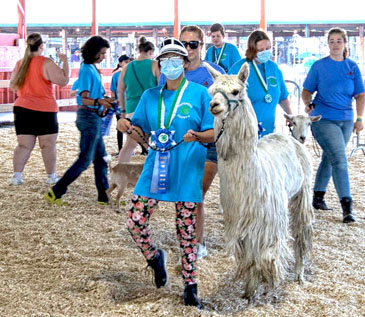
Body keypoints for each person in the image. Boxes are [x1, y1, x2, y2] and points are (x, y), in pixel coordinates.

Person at [117, 37, 214, 308]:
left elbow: (213, 131)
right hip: (155, 169)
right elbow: (139, 131)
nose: (171, 65)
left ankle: (190, 285)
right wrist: (126, 124)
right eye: (165, 61)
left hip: (187, 169)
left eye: (176, 60)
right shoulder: (150, 97)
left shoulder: (199, 93)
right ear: (159, 66)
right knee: (135, 222)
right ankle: (154, 258)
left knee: (186, 230)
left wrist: (198, 136)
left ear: (184, 62)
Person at [159, 25, 225, 260]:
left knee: (194, 192)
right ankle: (192, 240)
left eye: (193, 44)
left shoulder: (215, 73)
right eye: (184, 44)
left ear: (202, 46)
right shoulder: (169, 73)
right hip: (180, 144)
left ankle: (197, 243)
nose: (188, 49)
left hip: (209, 143)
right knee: (185, 195)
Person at [301, 27, 365, 224]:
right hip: (323, 118)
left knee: (330, 157)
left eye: (339, 41)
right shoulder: (319, 66)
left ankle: (318, 197)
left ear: (345, 43)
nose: (335, 44)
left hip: (346, 119)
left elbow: (360, 94)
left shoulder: (352, 67)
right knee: (339, 158)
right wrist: (307, 103)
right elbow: (306, 91)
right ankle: (347, 206)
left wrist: (360, 118)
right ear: (327, 44)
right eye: (332, 41)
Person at [44, 35, 113, 205]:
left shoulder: (92, 69)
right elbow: (84, 98)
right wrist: (100, 101)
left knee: (101, 158)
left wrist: (106, 99)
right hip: (89, 116)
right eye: (102, 53)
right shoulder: (87, 69)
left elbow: (93, 96)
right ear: (94, 52)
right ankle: (56, 191)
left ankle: (104, 196)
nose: (104, 57)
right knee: (85, 160)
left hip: (93, 116)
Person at [9, 32, 69, 185]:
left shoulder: (20, 63)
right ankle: (51, 176)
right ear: (42, 46)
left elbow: (13, 86)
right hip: (45, 109)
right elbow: (63, 81)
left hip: (23, 108)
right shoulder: (46, 62)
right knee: (47, 145)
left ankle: (16, 176)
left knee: (23, 145)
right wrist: (65, 62)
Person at [229, 29, 293, 137]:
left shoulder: (274, 68)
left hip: (268, 131)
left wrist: (290, 116)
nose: (265, 52)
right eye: (261, 49)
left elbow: (283, 97)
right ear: (252, 50)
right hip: (243, 131)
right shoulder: (239, 68)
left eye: (268, 48)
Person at [117, 37, 160, 162]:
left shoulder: (126, 67)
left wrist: (123, 110)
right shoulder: (155, 64)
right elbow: (160, 86)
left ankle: (121, 172)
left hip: (132, 108)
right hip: (151, 108)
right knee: (157, 141)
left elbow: (120, 90)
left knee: (130, 145)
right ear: (151, 51)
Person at [110, 55, 130, 151]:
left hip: (131, 104)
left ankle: (142, 149)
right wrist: (114, 102)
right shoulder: (116, 76)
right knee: (120, 126)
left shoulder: (133, 74)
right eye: (125, 62)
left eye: (128, 62)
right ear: (120, 63)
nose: (127, 64)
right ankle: (120, 149)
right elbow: (113, 91)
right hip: (120, 105)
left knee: (134, 126)